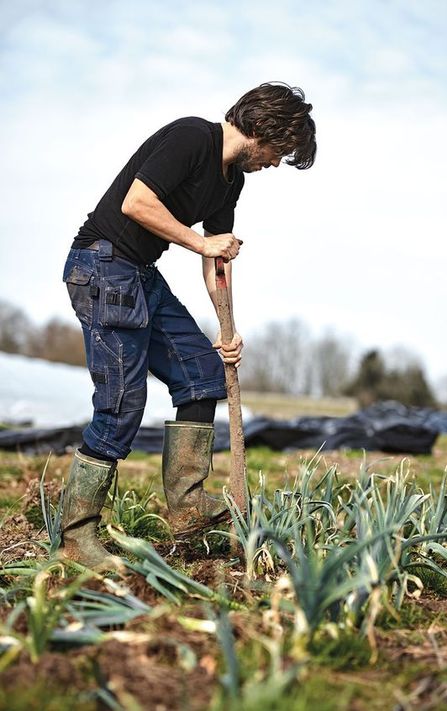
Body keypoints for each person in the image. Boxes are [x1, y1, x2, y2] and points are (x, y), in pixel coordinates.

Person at [61, 81, 316, 567]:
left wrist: (227, 326)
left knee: (201, 371)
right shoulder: (191, 138)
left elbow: (216, 253)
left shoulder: (231, 181)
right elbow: (135, 204)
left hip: (138, 273)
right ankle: (76, 538)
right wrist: (203, 245)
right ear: (261, 128)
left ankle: (187, 505)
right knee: (120, 404)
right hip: (101, 265)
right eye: (280, 150)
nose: (276, 162)